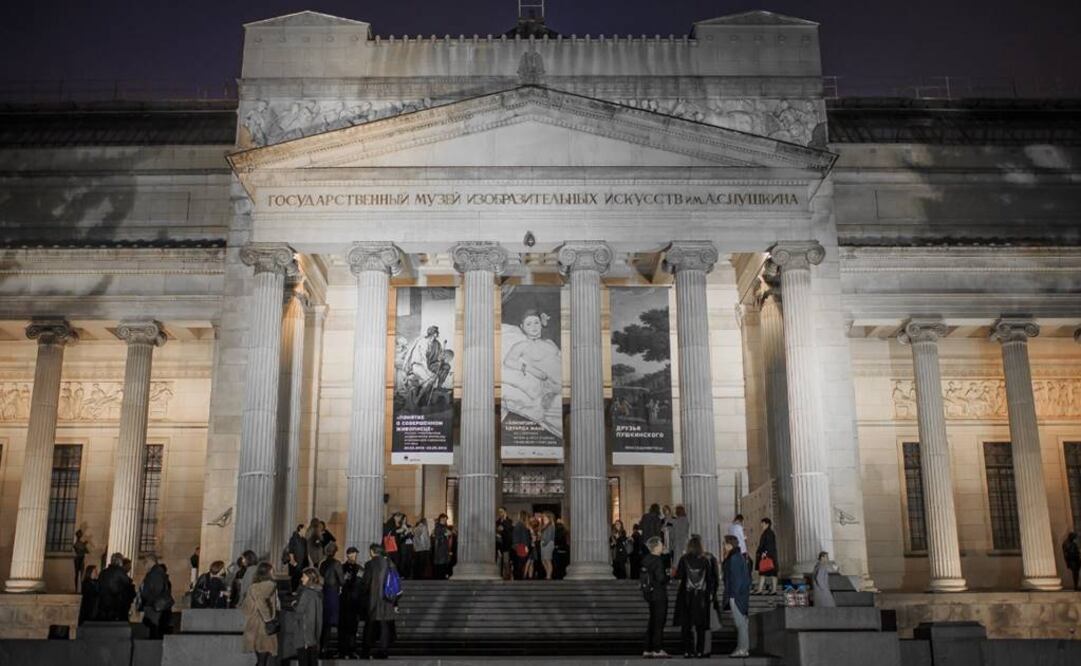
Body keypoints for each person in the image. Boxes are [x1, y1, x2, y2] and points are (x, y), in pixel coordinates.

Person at [501, 310, 562, 438]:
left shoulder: (549, 342)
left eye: (536, 322)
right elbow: (508, 361)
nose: (533, 327)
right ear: (522, 327)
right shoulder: (522, 345)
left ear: (541, 324)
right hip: (552, 385)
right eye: (528, 324)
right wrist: (531, 370)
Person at [674, 535, 718, 658]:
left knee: (686, 625)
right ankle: (699, 650)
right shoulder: (705, 560)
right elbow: (710, 579)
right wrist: (711, 594)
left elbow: (679, 576)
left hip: (686, 595)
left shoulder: (684, 559)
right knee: (701, 626)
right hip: (701, 596)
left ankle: (687, 650)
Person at [360, 543, 398, 660]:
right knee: (384, 625)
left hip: (374, 599)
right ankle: (383, 650)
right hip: (387, 600)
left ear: (372, 552)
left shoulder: (370, 564)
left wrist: (362, 595)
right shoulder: (390, 563)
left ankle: (366, 651)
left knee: (369, 626)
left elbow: (366, 583)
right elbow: (395, 582)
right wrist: (395, 602)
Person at [241, 562, 279, 666]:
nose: (274, 572)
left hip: (253, 623)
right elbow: (261, 601)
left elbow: (245, 607)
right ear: (268, 572)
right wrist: (268, 619)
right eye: (272, 570)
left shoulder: (253, 586)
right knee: (263, 658)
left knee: (260, 659)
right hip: (264, 625)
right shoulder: (269, 584)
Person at [721, 534, 751, 658]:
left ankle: (742, 648)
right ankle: (742, 647)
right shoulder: (738, 557)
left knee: (740, 623)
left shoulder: (734, 558)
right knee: (742, 623)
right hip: (740, 594)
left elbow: (736, 578)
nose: (723, 546)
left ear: (729, 545)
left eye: (724, 544)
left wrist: (733, 594)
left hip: (736, 595)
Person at [641, 536, 670, 659]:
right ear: (656, 547)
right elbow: (661, 578)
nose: (662, 546)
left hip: (650, 594)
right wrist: (668, 576)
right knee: (659, 622)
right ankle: (657, 649)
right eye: (661, 544)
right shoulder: (658, 560)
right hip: (659, 593)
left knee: (652, 621)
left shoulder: (646, 559)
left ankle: (647, 648)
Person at [139, 555, 174, 639]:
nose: (144, 565)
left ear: (150, 561)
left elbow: (157, 589)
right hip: (155, 606)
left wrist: (148, 599)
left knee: (154, 629)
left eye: (145, 562)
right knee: (154, 629)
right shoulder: (156, 572)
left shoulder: (155, 573)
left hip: (155, 606)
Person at [319, 542, 345, 657]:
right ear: (335, 552)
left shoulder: (323, 563)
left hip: (324, 593)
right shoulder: (337, 563)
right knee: (334, 621)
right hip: (333, 593)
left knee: (325, 623)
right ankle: (335, 648)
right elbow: (342, 580)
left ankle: (323, 647)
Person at [339, 547, 365, 659]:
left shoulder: (359, 568)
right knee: (344, 628)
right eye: (352, 555)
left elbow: (362, 584)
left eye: (355, 555)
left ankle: (351, 650)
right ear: (348, 555)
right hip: (345, 602)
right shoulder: (342, 568)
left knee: (352, 628)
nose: (354, 557)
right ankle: (344, 650)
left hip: (354, 603)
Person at [295, 567, 323, 666]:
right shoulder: (318, 593)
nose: (301, 578)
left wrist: (295, 604)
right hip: (313, 636)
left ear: (310, 578)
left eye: (304, 576)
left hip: (305, 636)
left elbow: (301, 613)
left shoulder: (307, 593)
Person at [96, 552, 136, 621]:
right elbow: (127, 584)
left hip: (102, 604)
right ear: (120, 562)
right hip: (115, 605)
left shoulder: (103, 572)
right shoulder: (119, 572)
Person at [755, 518, 779, 595]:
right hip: (770, 555)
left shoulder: (768, 533)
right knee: (769, 573)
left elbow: (768, 545)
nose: (761, 525)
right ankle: (765, 590)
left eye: (762, 523)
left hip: (768, 556)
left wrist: (764, 553)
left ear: (767, 524)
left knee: (766, 572)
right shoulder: (768, 532)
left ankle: (768, 590)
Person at [286, 523, 309, 590]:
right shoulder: (293, 538)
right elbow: (291, 550)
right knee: (295, 577)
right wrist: (292, 561)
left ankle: (299, 590)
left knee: (300, 577)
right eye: (304, 529)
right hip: (296, 561)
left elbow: (305, 552)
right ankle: (294, 590)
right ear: (300, 529)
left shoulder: (304, 540)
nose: (306, 531)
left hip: (302, 562)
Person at [668, 506, 690, 571]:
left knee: (677, 561)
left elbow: (671, 534)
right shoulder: (686, 520)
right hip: (685, 542)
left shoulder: (675, 521)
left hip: (677, 543)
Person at [512, 511, 531, 580]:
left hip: (518, 545)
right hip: (521, 546)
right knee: (520, 565)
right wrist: (526, 546)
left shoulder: (518, 524)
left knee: (518, 564)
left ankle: (517, 578)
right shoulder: (521, 525)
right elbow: (524, 537)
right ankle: (519, 578)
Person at [432, 514, 452, 579]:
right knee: (440, 565)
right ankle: (440, 578)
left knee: (444, 564)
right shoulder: (438, 526)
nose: (445, 521)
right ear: (441, 519)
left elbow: (448, 534)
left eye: (446, 520)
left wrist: (448, 534)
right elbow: (436, 537)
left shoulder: (444, 526)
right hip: (440, 548)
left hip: (444, 548)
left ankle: (443, 576)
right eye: (445, 519)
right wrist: (445, 534)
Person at [496, 507, 514, 580]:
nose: (500, 513)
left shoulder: (509, 521)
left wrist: (504, 521)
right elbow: (497, 530)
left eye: (501, 511)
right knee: (499, 562)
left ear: (505, 512)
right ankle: (499, 576)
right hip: (499, 544)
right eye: (499, 512)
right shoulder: (497, 522)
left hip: (507, 545)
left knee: (506, 561)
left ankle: (507, 576)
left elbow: (509, 531)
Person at [539, 512, 556, 580]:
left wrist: (544, 543)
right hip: (543, 543)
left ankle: (549, 576)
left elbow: (548, 537)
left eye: (544, 516)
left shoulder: (550, 526)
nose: (543, 517)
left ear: (548, 517)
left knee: (548, 560)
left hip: (548, 544)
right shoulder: (544, 525)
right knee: (543, 560)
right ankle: (548, 574)